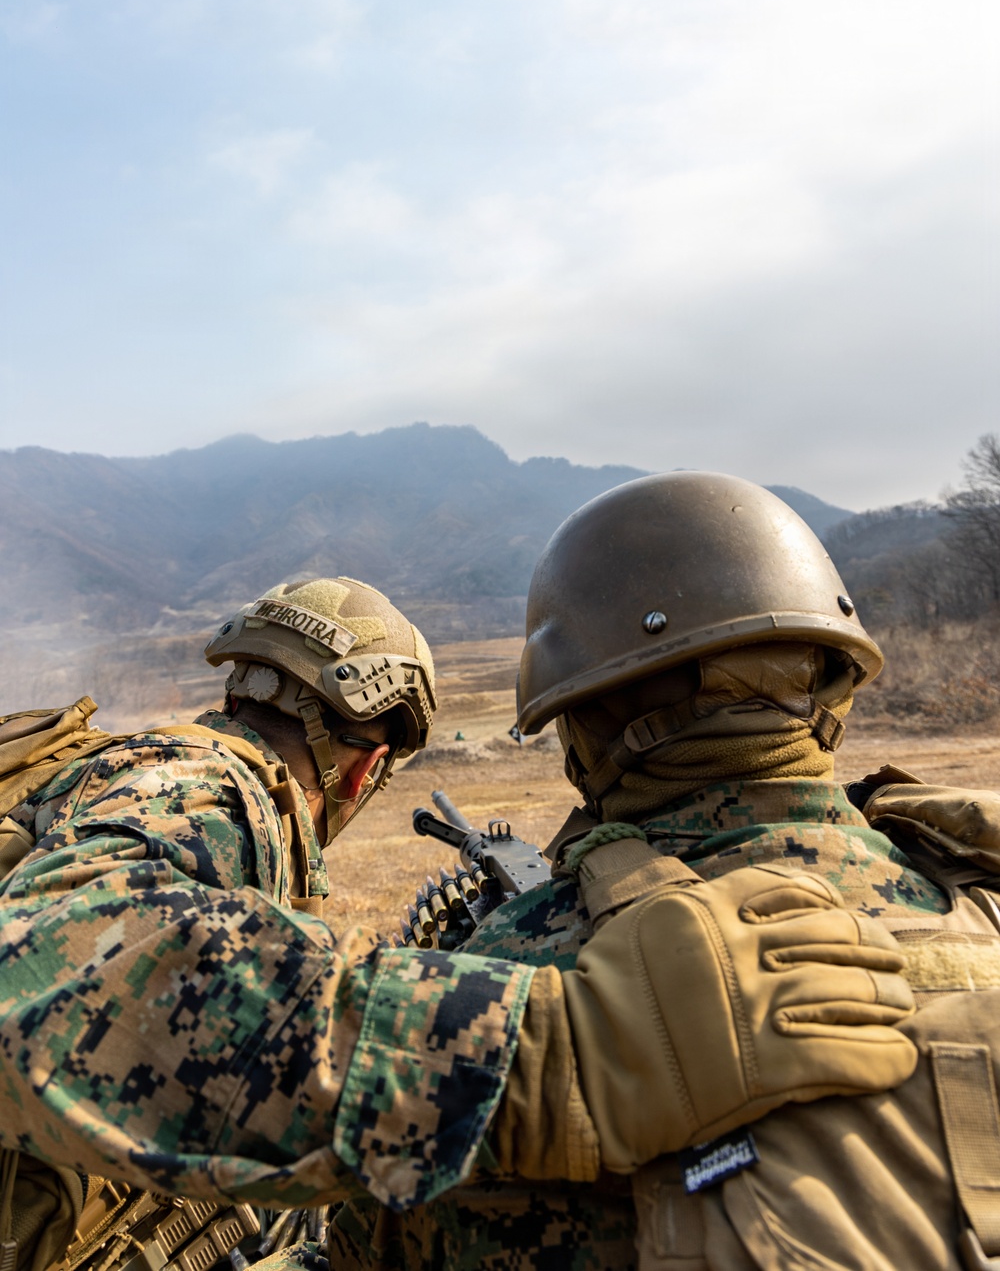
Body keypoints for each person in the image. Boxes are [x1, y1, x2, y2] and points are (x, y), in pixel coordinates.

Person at [0, 573, 917, 1271]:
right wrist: (553, 1051)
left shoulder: (113, 771)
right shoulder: (208, 787)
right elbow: (38, 968)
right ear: (365, 772)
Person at [334, 475, 1000, 1271]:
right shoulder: (979, 891)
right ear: (833, 678)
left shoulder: (509, 981)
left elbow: (376, 1232)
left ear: (584, 721)